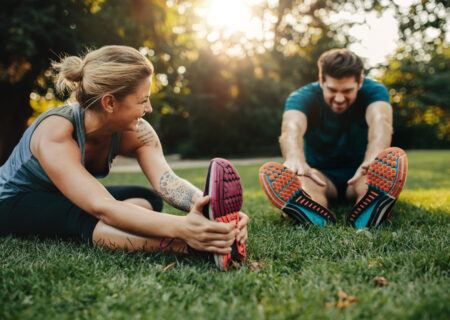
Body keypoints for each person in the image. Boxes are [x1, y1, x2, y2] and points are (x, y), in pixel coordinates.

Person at [0, 45, 248, 266]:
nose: (149, 108)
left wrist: (211, 209)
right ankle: (188, 247)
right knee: (84, 215)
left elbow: (168, 182)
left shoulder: (136, 131)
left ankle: (113, 231)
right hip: (12, 201)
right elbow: (102, 206)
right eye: (143, 100)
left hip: (62, 197)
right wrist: (184, 229)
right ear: (109, 103)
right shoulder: (56, 132)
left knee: (145, 198)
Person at [259, 48, 408, 229]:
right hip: (320, 174)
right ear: (321, 81)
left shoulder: (374, 91)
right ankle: (310, 210)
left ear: (360, 82)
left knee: (370, 184)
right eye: (332, 90)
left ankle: (373, 206)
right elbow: (292, 127)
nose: (339, 98)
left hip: (360, 172)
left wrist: (374, 158)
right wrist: (294, 159)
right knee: (307, 185)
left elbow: (380, 120)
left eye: (347, 90)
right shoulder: (301, 97)